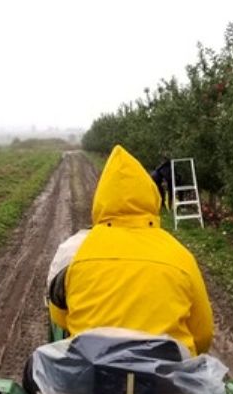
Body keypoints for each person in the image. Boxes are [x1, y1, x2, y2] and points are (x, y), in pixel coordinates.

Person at [46, 145, 212, 356]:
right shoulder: (180, 256)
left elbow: (60, 317)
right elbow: (203, 333)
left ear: (101, 199)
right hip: (168, 383)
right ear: (151, 195)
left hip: (93, 380)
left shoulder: (79, 254)